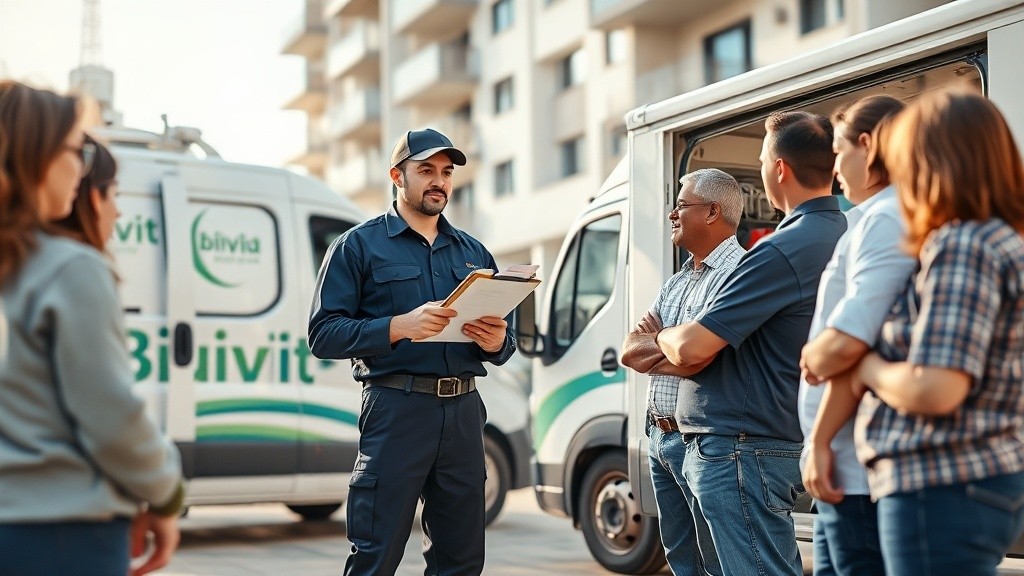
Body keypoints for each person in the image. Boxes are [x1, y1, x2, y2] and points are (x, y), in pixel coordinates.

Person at [307, 128, 516, 576]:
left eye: (446, 172)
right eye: (426, 171)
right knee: (375, 554)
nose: (439, 181)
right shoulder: (357, 246)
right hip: (396, 410)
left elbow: (505, 342)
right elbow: (323, 334)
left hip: (462, 414)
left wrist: (497, 342)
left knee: (460, 560)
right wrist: (400, 327)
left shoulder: (473, 252)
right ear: (397, 176)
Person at [0, 80, 183, 576]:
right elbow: (111, 418)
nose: (81, 169)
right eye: (74, 150)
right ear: (36, 157)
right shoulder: (68, 268)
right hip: (62, 534)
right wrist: (166, 494)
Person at [654, 111, 846, 575]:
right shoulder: (843, 231)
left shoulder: (783, 248)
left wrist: (658, 334)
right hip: (772, 435)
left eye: (762, 158)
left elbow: (693, 347)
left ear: (779, 169)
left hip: (745, 447)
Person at [850, 90, 1024, 576]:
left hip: (940, 483)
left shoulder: (962, 245)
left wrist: (868, 365)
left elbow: (937, 388)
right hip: (976, 480)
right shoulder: (1001, 238)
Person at [797, 95, 915, 576]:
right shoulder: (873, 217)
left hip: (853, 460)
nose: (835, 168)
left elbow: (848, 342)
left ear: (867, 145)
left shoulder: (887, 218)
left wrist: (820, 442)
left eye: (839, 150)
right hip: (845, 458)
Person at [620, 168, 746, 575]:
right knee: (681, 560)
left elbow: (702, 358)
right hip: (659, 437)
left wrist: (666, 344)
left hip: (702, 443)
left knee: (716, 563)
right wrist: (675, 348)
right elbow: (629, 350)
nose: (672, 215)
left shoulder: (738, 276)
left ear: (712, 212)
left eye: (680, 206)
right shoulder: (675, 283)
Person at [53, 133, 120, 252]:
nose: (118, 213)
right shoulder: (82, 263)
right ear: (96, 198)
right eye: (114, 194)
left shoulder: (23, 251)